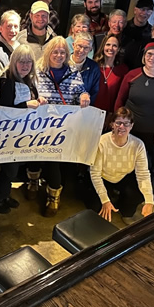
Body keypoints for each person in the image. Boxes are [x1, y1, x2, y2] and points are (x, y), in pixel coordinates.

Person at [36, 36, 89, 216]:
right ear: (48, 53)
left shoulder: (73, 71)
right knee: (32, 155)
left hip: (62, 126)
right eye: (55, 51)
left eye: (62, 52)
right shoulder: (38, 69)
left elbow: (81, 90)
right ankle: (33, 182)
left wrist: (84, 96)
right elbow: (28, 88)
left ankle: (54, 196)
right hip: (39, 124)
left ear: (67, 54)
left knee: (54, 161)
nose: (58, 55)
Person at [0, 45, 47, 211]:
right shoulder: (6, 80)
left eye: (29, 62)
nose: (25, 66)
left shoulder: (29, 79)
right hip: (7, 135)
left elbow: (31, 100)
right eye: (21, 62)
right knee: (8, 170)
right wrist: (25, 105)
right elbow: (3, 109)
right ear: (14, 62)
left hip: (22, 134)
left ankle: (5, 195)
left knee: (14, 169)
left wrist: (39, 101)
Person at [115, 41, 154, 175]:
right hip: (128, 127)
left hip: (149, 130)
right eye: (149, 54)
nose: (152, 58)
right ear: (144, 56)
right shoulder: (132, 75)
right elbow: (120, 99)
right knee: (122, 158)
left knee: (142, 162)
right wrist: (117, 122)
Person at [88, 107, 154, 225]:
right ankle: (108, 199)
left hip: (124, 176)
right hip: (103, 177)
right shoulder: (101, 142)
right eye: (118, 123)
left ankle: (126, 212)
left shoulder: (138, 145)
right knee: (94, 206)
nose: (122, 127)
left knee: (137, 193)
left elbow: (143, 174)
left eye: (126, 123)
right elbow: (95, 173)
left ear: (131, 126)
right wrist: (105, 200)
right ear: (112, 124)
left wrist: (149, 200)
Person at [93, 35, 129, 128]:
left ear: (118, 49)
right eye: (108, 44)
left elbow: (122, 96)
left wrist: (113, 115)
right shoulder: (94, 66)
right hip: (91, 112)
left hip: (110, 116)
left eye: (114, 46)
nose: (111, 48)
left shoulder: (123, 70)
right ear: (103, 46)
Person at [122, 0, 154, 69]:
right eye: (142, 9)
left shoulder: (152, 33)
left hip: (138, 71)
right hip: (120, 68)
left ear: (151, 13)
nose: (144, 13)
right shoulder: (123, 27)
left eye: (148, 10)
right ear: (135, 10)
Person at [68, 32, 100, 104]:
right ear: (73, 45)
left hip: (82, 109)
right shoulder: (62, 62)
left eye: (86, 48)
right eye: (79, 46)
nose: (82, 50)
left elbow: (94, 92)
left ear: (90, 49)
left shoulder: (94, 68)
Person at [0, 9, 21, 74]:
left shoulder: (21, 49)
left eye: (16, 26)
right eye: (9, 26)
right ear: (0, 29)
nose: (12, 30)